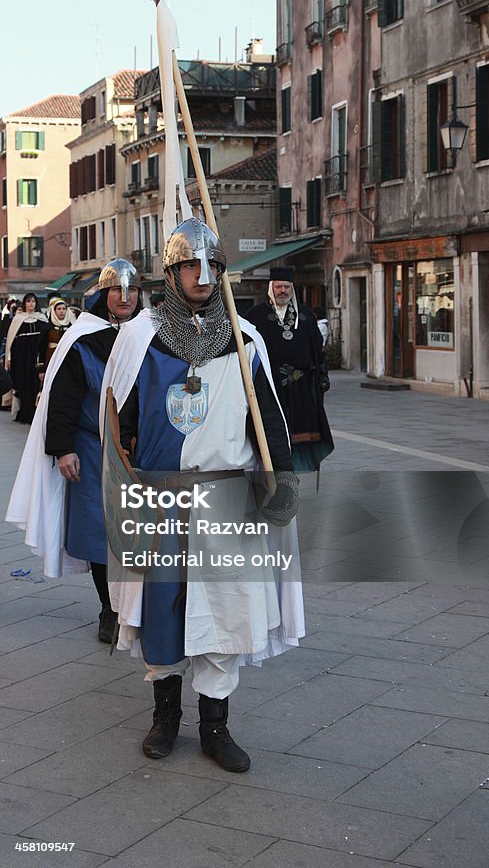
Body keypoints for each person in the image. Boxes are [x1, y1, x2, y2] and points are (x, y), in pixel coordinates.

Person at [101, 218, 304, 772]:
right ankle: (165, 718)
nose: (203, 274)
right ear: (171, 271)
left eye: (211, 264)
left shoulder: (244, 341)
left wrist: (281, 478)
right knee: (161, 612)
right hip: (162, 500)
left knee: (222, 615)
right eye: (191, 264)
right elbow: (119, 429)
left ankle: (215, 727)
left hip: (224, 499)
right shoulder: (141, 337)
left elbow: (268, 422)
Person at [6, 260, 142, 644]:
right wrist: (64, 449)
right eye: (117, 290)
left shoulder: (148, 335)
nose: (125, 297)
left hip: (138, 450)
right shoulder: (82, 339)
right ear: (104, 294)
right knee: (100, 531)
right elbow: (62, 400)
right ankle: (109, 609)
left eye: (130, 290)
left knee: (140, 531)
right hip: (92, 446)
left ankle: (136, 607)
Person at [246, 268, 334, 473]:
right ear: (271, 288)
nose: (282, 291)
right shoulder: (255, 316)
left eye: (286, 287)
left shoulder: (305, 316)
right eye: (278, 286)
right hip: (269, 385)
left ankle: (296, 470)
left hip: (300, 387)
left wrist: (322, 376)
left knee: (300, 434)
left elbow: (317, 351)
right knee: (272, 431)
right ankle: (272, 471)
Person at [5, 293, 47, 423]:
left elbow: (45, 340)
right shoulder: (18, 319)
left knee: (35, 384)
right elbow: (11, 341)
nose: (31, 304)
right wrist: (10, 358)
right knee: (22, 383)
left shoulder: (41, 318)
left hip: (36, 356)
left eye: (33, 301)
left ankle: (34, 413)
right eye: (28, 301)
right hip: (21, 357)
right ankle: (23, 412)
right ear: (24, 303)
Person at [37, 297, 76, 377]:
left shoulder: (72, 328)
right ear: (54, 311)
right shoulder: (47, 328)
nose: (61, 311)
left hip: (67, 359)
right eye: (58, 309)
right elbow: (42, 348)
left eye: (63, 309)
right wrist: (41, 369)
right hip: (51, 358)